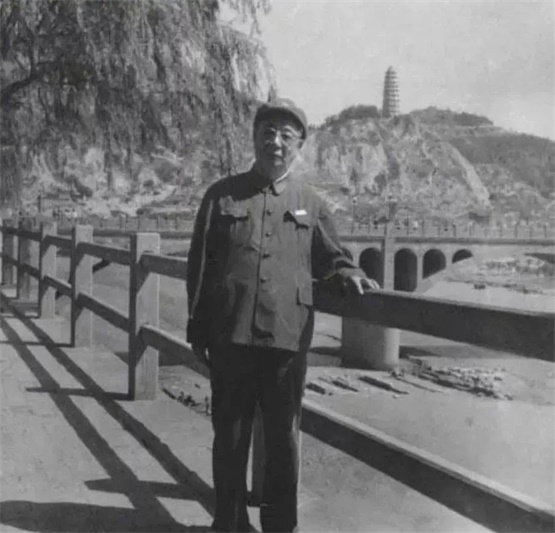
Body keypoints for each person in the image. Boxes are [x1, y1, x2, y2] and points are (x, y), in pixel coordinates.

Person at [186, 97, 379, 533]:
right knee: (229, 438)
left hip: (287, 342)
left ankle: (279, 527)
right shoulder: (221, 195)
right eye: (267, 132)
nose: (275, 142)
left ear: (299, 145)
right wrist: (197, 328)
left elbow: (333, 257)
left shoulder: (312, 202)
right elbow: (200, 265)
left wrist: (349, 272)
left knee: (282, 442)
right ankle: (229, 523)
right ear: (255, 138)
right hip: (230, 336)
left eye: (286, 136)